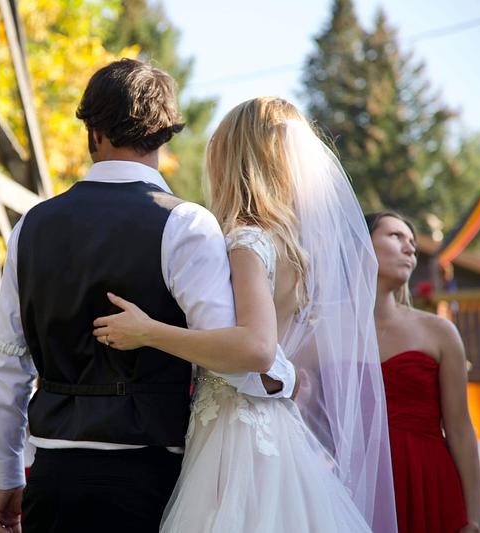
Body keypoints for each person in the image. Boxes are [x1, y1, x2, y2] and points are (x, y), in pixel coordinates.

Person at [0, 59, 295, 533]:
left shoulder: (30, 227)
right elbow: (228, 358)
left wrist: (5, 474)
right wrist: (281, 377)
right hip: (147, 478)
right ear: (165, 135)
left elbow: (5, 365)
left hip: (53, 477)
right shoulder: (186, 224)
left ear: (94, 131)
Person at [93, 97, 398, 532]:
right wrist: (289, 378)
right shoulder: (295, 248)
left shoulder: (247, 241)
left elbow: (256, 348)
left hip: (236, 440)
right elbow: (281, 355)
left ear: (233, 160)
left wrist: (149, 331)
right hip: (277, 429)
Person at [367, 211, 480, 533]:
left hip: (426, 480)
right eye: (396, 236)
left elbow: (460, 428)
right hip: (354, 483)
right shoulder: (324, 333)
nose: (410, 249)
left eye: (413, 244)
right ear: (359, 244)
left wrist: (474, 517)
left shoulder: (440, 332)